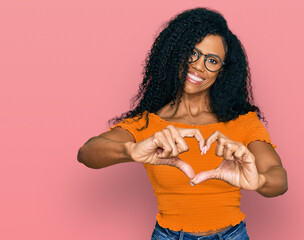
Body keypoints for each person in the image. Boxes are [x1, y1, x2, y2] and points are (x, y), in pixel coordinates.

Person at [78, 7, 288, 240]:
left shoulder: (242, 122)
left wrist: (259, 180)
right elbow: (87, 153)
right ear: (175, 52)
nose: (198, 66)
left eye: (212, 60)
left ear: (223, 71)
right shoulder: (150, 124)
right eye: (192, 53)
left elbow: (278, 177)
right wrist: (131, 150)